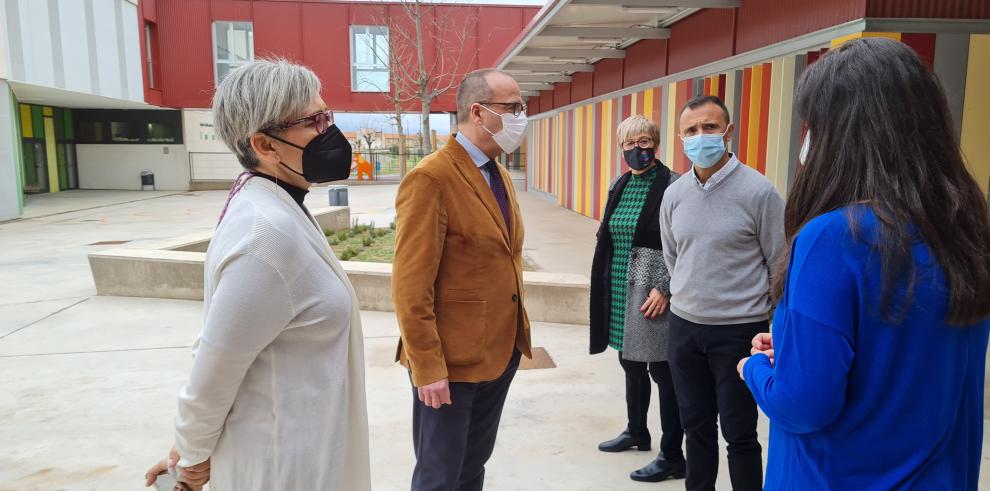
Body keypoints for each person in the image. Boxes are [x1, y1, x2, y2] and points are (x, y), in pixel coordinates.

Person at [738, 37, 990, 490]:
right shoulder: (965, 231)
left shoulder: (833, 238)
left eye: (812, 125)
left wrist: (755, 369)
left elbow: (803, 405)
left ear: (842, 132)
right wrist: (797, 351)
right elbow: (906, 359)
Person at [143, 59, 371, 490]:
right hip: (284, 466)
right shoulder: (264, 236)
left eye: (329, 116)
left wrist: (187, 448)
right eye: (314, 121)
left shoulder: (283, 205)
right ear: (265, 145)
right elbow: (215, 363)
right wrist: (190, 459)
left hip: (308, 449)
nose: (330, 132)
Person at [392, 68, 532, 491]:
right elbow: (410, 285)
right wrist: (428, 366)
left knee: (472, 468)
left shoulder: (497, 173)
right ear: (478, 111)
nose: (521, 116)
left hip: (498, 353)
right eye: (513, 108)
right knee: (439, 475)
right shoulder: (431, 177)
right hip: (449, 367)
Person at [659, 95, 785, 491]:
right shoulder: (675, 194)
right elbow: (673, 257)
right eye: (691, 130)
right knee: (695, 427)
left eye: (709, 128)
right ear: (681, 138)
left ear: (728, 132)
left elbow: (778, 264)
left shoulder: (759, 192)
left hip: (739, 332)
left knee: (740, 433)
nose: (701, 136)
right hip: (684, 329)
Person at [588, 115, 685, 483]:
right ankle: (636, 431)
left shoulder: (674, 185)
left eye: (644, 141)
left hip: (653, 289)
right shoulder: (620, 183)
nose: (637, 149)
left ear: (656, 144)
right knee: (629, 362)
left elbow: (685, 245)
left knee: (663, 371)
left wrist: (666, 288)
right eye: (629, 143)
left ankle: (673, 454)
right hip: (619, 286)